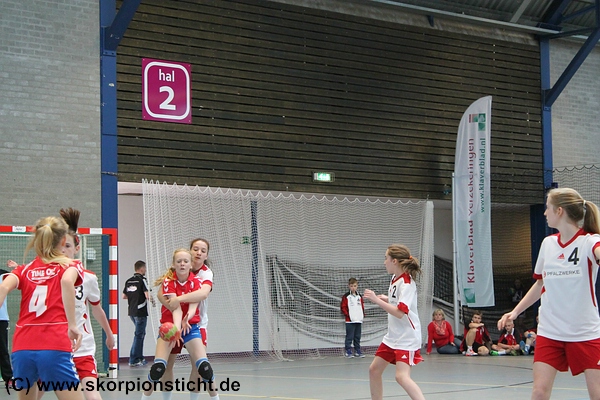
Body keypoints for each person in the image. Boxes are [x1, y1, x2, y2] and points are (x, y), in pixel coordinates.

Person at [498, 187, 600, 400]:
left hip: (585, 332)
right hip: (550, 331)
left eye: (547, 208)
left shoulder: (589, 241)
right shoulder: (548, 243)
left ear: (559, 211)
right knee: (539, 392)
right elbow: (539, 285)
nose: (545, 213)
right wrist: (515, 312)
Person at [0, 216, 84, 400]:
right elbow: (66, 281)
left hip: (22, 347)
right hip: (54, 343)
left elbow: (3, 287)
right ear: (63, 240)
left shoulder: (24, 270)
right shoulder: (70, 265)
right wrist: (72, 325)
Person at [36, 208, 115, 400]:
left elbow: (96, 309)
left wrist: (109, 333)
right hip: (53, 345)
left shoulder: (88, 278)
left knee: (92, 395)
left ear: (76, 248)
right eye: (59, 246)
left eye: (68, 246)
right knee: (35, 393)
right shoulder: (45, 275)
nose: (63, 250)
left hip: (82, 346)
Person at [141, 249, 214, 400]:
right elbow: (176, 308)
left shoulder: (197, 280)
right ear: (174, 264)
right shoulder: (168, 281)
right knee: (159, 369)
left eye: (185, 261)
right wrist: (176, 329)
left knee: (204, 369)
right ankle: (146, 397)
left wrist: (188, 318)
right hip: (170, 326)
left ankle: (215, 397)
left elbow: (194, 303)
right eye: (179, 261)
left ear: (190, 264)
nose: (182, 264)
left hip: (191, 327)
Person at [363, 244, 425, 400]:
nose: (384, 262)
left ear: (395, 261)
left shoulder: (407, 283)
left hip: (407, 337)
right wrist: (387, 299)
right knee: (374, 370)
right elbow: (398, 303)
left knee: (401, 376)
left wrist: (377, 300)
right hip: (393, 337)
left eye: (386, 258)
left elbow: (399, 312)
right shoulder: (394, 279)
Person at [123, 260, 152, 367]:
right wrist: (152, 300)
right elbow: (147, 295)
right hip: (140, 311)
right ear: (141, 268)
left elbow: (124, 296)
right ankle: (134, 359)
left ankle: (139, 357)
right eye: (145, 268)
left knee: (140, 334)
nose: (145, 270)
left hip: (131, 311)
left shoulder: (129, 281)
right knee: (139, 335)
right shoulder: (142, 280)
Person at [340, 277, 365, 358]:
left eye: (354, 286)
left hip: (358, 320)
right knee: (349, 336)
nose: (353, 288)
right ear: (349, 286)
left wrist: (362, 315)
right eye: (351, 286)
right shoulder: (346, 296)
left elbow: (362, 306)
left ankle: (357, 350)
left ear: (357, 286)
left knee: (357, 336)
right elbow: (343, 307)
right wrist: (348, 315)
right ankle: (348, 350)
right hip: (350, 320)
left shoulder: (359, 296)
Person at [0, 268, 13, 384]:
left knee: (3, 349)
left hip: (1, 318)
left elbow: (24, 276)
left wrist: (15, 267)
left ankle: (8, 378)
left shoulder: (4, 275)